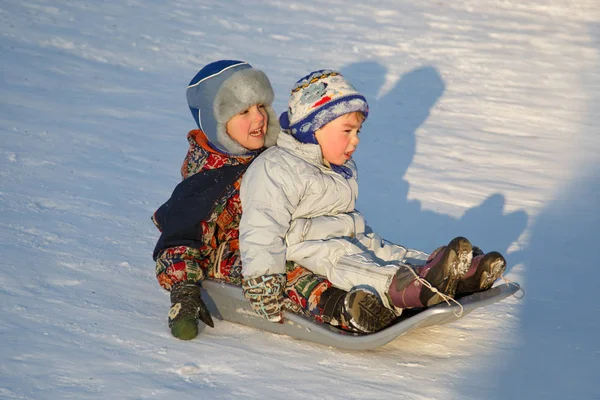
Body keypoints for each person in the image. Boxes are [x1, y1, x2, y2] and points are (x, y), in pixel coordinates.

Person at [239, 69, 507, 323]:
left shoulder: (338, 165)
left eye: (357, 132)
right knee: (350, 263)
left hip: (349, 233)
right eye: (347, 131)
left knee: (385, 252)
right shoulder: (275, 167)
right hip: (304, 246)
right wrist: (263, 280)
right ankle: (411, 288)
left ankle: (450, 272)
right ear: (313, 129)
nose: (355, 140)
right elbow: (261, 227)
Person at [151, 61, 394, 341]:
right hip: (233, 256)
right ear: (216, 122)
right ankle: (341, 307)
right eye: (243, 111)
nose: (258, 118)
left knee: (334, 249)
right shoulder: (206, 181)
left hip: (292, 236)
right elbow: (178, 241)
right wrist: (185, 293)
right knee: (289, 268)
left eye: (261, 107)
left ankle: (389, 282)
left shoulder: (279, 153)